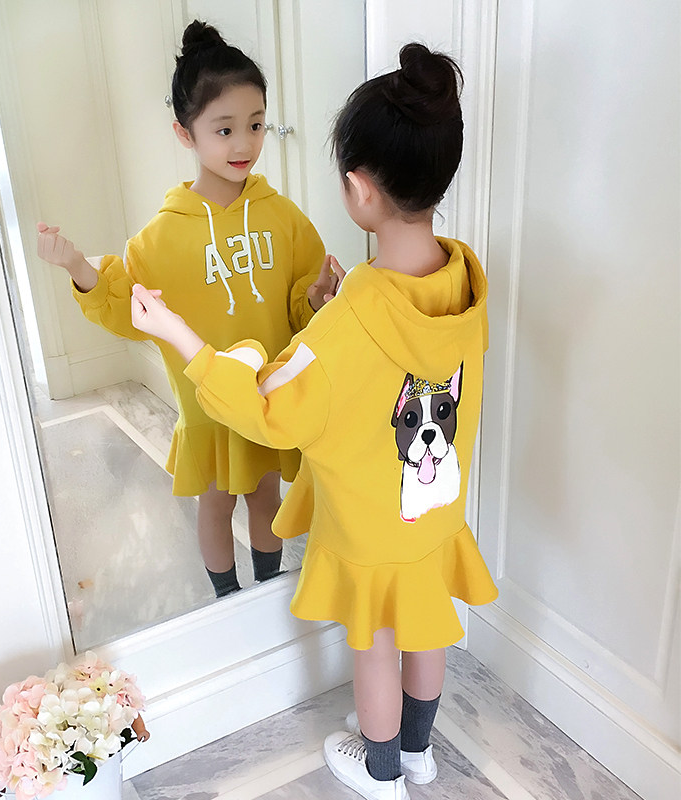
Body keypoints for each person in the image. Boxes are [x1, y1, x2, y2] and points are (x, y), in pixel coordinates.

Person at [127, 40, 499, 800]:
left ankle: (381, 768)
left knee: (377, 646)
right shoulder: (464, 281)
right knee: (428, 624)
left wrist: (184, 339)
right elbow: (400, 363)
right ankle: (420, 751)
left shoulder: (348, 322)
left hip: (369, 529)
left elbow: (268, 409)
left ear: (358, 188)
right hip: (434, 509)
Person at [36, 20, 342, 599]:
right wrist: (77, 265)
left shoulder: (284, 217)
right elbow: (129, 307)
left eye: (255, 125)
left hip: (268, 392)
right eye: (224, 129)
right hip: (207, 400)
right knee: (217, 501)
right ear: (185, 133)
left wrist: (316, 298)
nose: (243, 145)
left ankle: (267, 590)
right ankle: (226, 598)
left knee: (267, 495)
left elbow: (300, 300)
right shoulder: (161, 238)